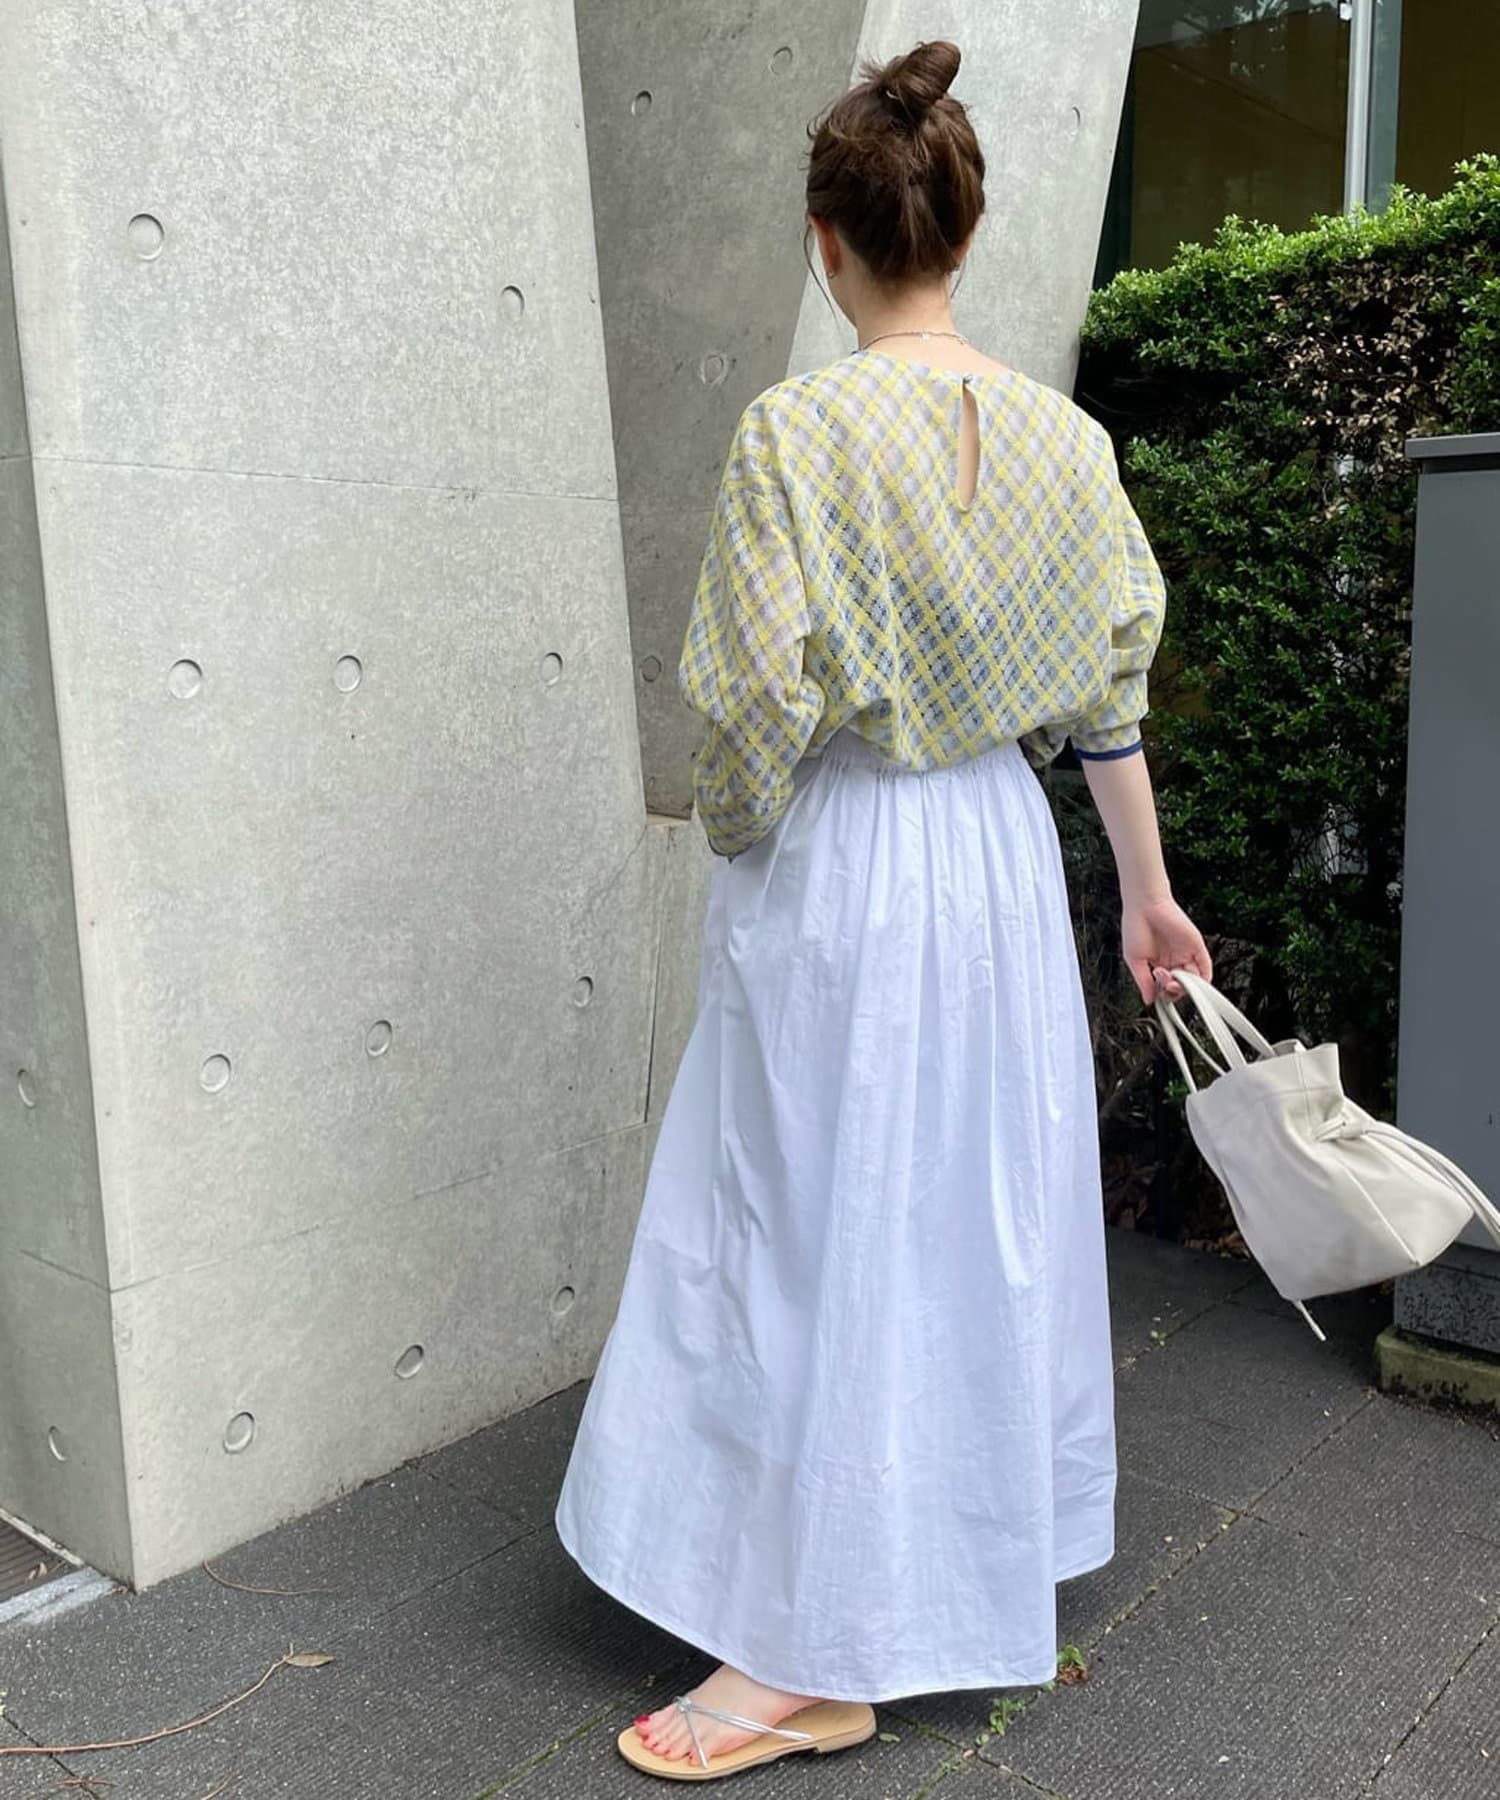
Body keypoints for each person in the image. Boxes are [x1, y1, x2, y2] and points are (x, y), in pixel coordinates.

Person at [554, 36, 1212, 1783]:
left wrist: (745, 833)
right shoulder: (1071, 443)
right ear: (966, 236)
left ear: (825, 243)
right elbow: (1112, 698)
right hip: (998, 854)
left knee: (808, 1219)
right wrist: (1148, 899)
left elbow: (754, 705)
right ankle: (925, 1565)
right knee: (956, 1214)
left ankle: (806, 1650)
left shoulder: (797, 432)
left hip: (850, 846)